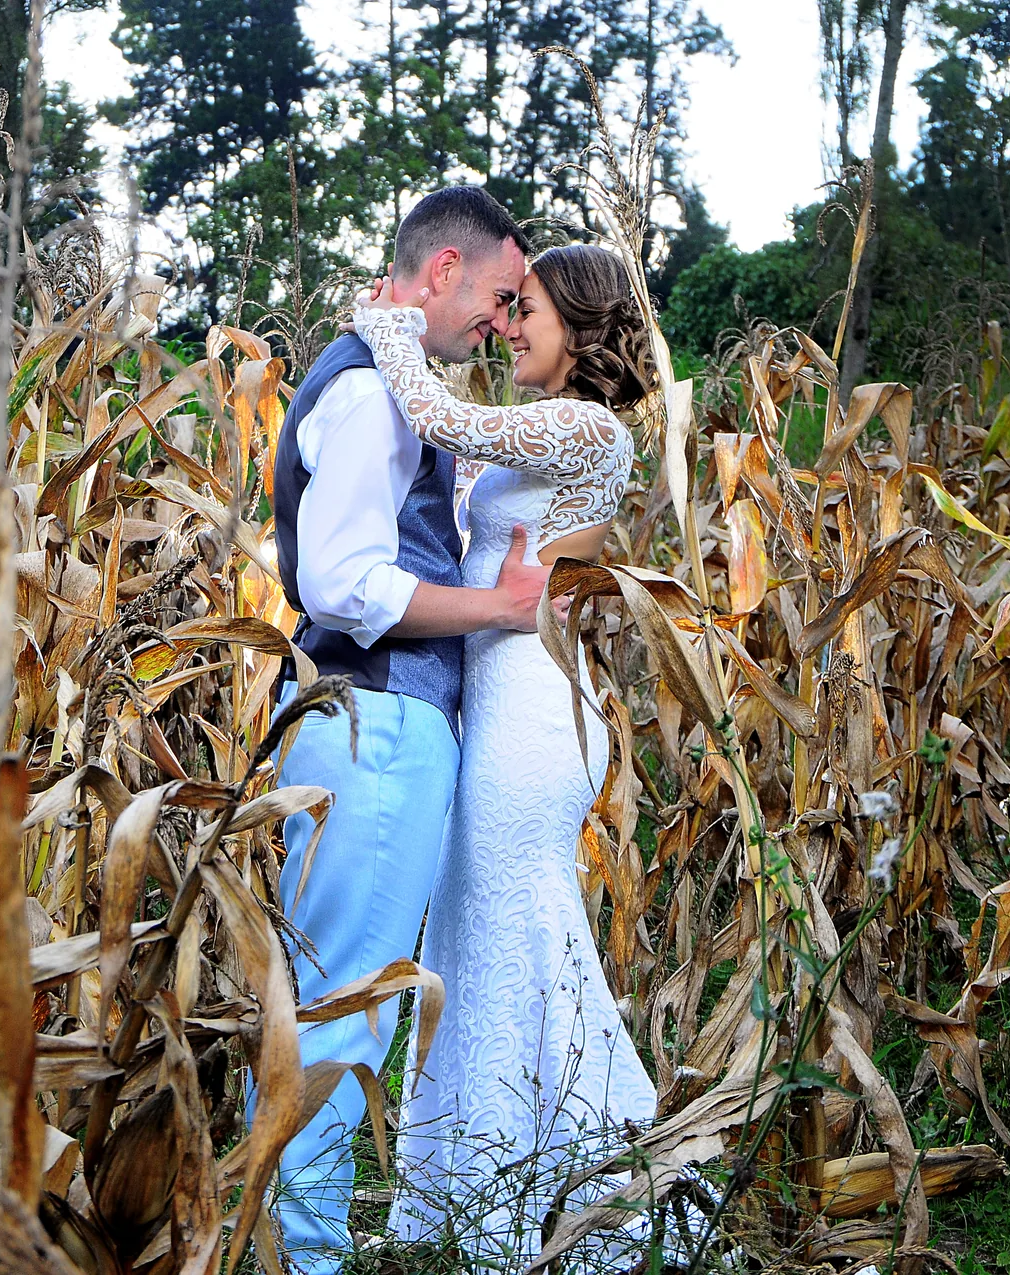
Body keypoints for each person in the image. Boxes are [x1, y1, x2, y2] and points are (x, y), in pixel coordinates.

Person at [266, 185, 559, 1275]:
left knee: (333, 995)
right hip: (376, 724)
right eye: (498, 295)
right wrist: (497, 609)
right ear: (442, 272)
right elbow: (343, 581)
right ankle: (306, 1257)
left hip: (365, 722)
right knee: (346, 1007)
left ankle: (285, 1238)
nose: (499, 320)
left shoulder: (395, 386)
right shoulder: (373, 394)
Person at [353, 243, 658, 1266]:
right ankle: (470, 1197)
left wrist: (390, 322)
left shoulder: (587, 425)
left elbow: (440, 417)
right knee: (476, 931)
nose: (508, 326)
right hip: (495, 705)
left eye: (526, 309)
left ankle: (569, 1198)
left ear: (580, 323)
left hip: (531, 711)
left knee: (520, 929)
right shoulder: (549, 432)